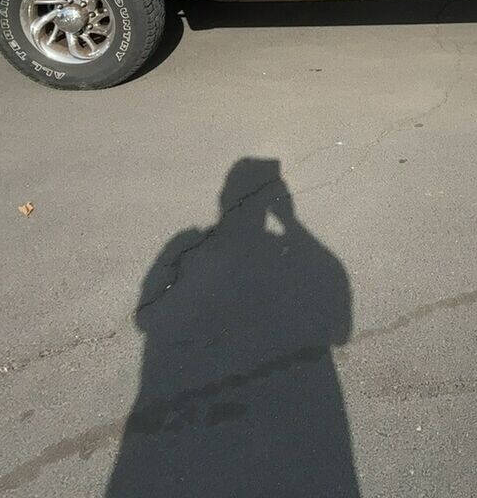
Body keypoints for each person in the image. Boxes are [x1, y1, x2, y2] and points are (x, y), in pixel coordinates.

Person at [105, 158, 358, 497]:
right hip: (300, 409)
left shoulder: (188, 243)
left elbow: (144, 319)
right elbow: (340, 330)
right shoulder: (297, 254)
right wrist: (294, 226)